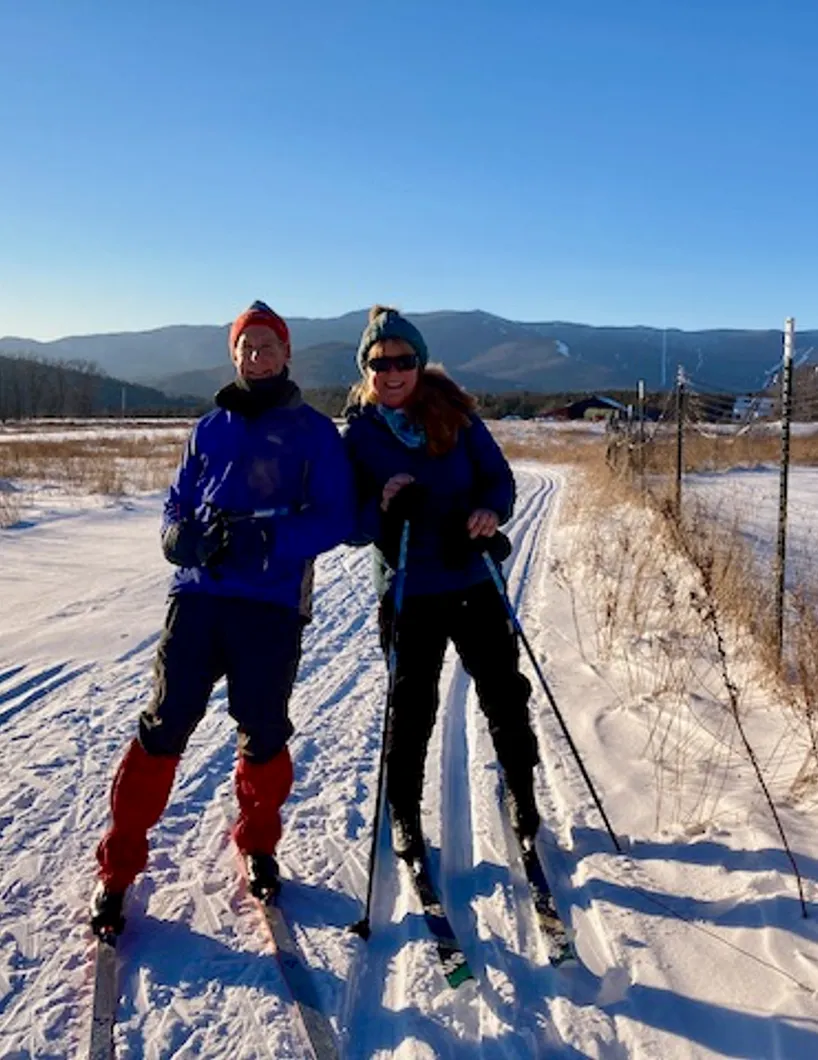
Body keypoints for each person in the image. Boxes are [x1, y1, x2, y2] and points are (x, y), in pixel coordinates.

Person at [90, 300, 354, 935]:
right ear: (232, 354)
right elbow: (177, 501)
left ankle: (258, 844)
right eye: (244, 346)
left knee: (263, 731)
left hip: (268, 605)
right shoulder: (208, 428)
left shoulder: (314, 432)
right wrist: (178, 539)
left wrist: (270, 544)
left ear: (287, 353)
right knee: (163, 724)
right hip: (200, 596)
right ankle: (117, 868)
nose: (254, 355)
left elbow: (337, 516)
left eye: (266, 345)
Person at [343, 305, 541, 862]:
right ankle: (404, 812)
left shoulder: (455, 414)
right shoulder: (359, 435)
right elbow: (350, 523)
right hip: (409, 585)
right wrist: (381, 506)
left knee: (504, 691)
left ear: (420, 362)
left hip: (472, 575)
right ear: (367, 370)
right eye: (380, 363)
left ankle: (523, 791)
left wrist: (488, 511)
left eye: (403, 360)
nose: (392, 372)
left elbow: (498, 479)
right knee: (410, 707)